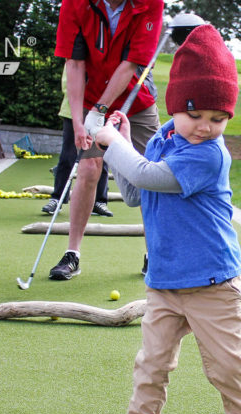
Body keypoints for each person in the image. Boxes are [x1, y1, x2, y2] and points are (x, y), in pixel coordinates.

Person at [94, 24, 241, 414]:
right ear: (175, 107)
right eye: (195, 114)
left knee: (230, 368)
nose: (206, 127)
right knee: (151, 367)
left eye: (219, 117)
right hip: (165, 282)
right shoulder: (161, 142)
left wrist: (113, 145)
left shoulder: (209, 155)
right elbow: (135, 192)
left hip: (213, 282)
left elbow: (150, 177)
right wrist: (121, 148)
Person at [50, 0, 163, 280]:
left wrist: (99, 111)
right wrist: (78, 122)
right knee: (88, 169)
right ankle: (72, 254)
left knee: (152, 172)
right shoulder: (74, 4)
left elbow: (131, 64)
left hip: (137, 102)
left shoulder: (150, 3)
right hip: (91, 100)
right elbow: (74, 63)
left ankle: (155, 255)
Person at [42, 68, 112, 218]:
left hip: (99, 111)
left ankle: (99, 201)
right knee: (67, 156)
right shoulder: (75, 54)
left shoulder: (101, 55)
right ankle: (57, 198)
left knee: (100, 157)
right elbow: (68, 84)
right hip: (73, 112)